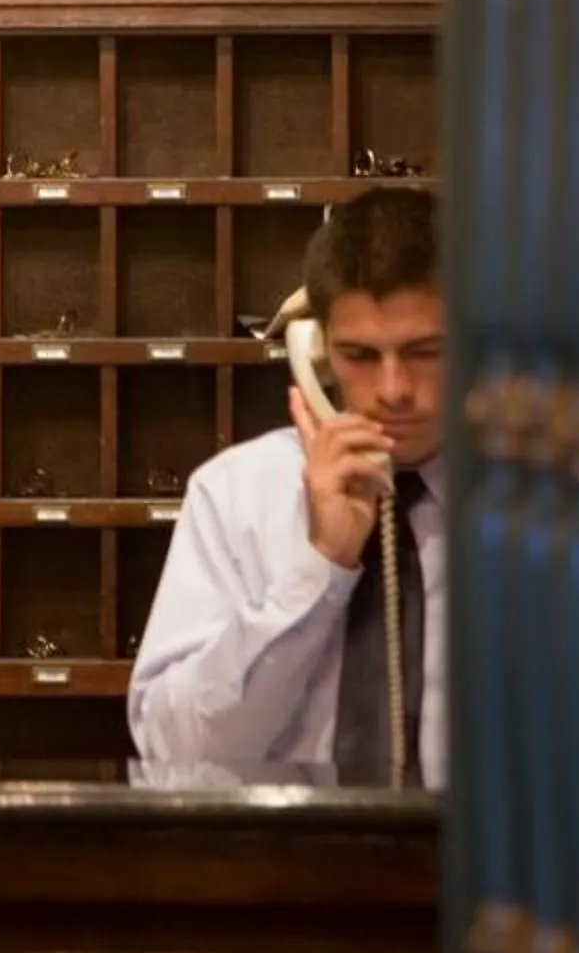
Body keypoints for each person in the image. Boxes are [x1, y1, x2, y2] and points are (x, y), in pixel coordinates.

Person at [127, 186, 446, 785]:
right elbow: (173, 762)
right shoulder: (235, 495)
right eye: (360, 355)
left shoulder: (537, 505)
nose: (395, 388)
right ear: (317, 349)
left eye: (425, 351)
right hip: (276, 870)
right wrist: (317, 568)